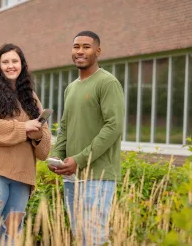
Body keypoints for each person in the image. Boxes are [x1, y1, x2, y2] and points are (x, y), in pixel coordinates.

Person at [48, 31, 125, 245]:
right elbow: (64, 127)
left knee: (93, 238)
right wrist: (56, 156)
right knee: (79, 235)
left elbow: (114, 126)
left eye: (86, 47)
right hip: (72, 176)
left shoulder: (107, 83)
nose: (80, 51)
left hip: (97, 177)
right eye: (76, 47)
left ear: (98, 51)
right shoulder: (71, 88)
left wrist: (79, 159)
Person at [0, 43, 51, 245]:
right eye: (5, 62)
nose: (10, 66)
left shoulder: (30, 96)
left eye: (15, 61)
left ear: (22, 64)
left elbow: (44, 145)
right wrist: (24, 129)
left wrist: (37, 134)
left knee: (12, 234)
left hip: (22, 176)